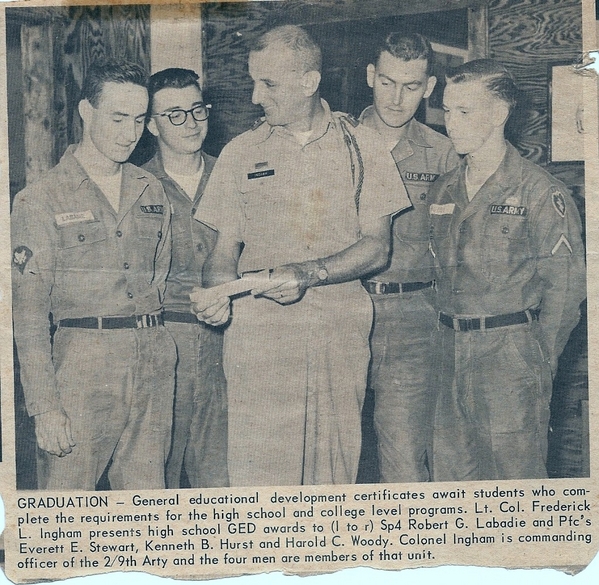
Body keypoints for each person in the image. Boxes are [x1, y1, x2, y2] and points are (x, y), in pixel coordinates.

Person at [191, 25, 410, 486]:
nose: (255, 97)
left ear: (309, 83)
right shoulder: (240, 152)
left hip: (337, 332)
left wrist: (308, 274)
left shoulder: (362, 146)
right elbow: (223, 250)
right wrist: (216, 294)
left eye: (267, 84)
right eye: (253, 81)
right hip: (259, 338)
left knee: (331, 475)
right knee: (259, 474)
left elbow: (377, 245)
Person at [11, 60, 176, 490]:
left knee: (148, 510)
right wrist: (45, 407)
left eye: (140, 119)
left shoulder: (150, 188)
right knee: (67, 505)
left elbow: (161, 277)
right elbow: (27, 317)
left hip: (153, 360)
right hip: (82, 367)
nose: (130, 132)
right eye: (118, 118)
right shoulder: (40, 200)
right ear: (86, 111)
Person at [428, 59, 586, 480]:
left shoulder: (539, 190)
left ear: (499, 113)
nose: (451, 123)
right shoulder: (442, 188)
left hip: (509, 355)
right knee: (450, 487)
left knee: (515, 490)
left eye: (465, 112)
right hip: (448, 352)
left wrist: (534, 360)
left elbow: (566, 290)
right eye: (447, 110)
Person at [360, 32, 459, 482]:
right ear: (370, 77)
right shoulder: (335, 140)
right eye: (387, 82)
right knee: (332, 454)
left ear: (430, 87)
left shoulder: (444, 154)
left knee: (403, 459)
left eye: (411, 86)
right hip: (343, 312)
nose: (397, 98)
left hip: (411, 322)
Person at [144, 68, 228, 488]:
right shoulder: (136, 187)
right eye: (174, 114)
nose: (191, 123)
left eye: (197, 110)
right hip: (165, 343)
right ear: (151, 124)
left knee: (225, 483)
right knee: (160, 478)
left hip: (228, 344)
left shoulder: (233, 175)